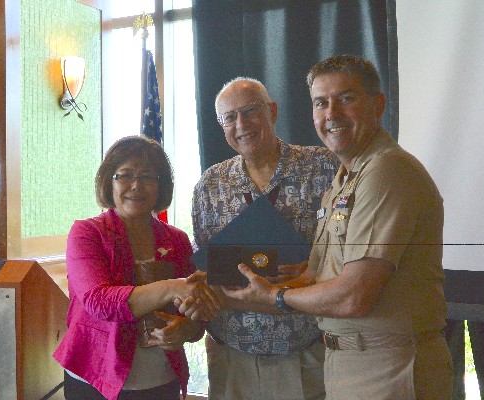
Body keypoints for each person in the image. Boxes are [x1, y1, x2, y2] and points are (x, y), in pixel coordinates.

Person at [222, 55, 454, 399]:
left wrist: (275, 295)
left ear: (378, 104)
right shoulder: (345, 179)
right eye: (321, 102)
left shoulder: (387, 171)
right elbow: (314, 274)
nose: (331, 113)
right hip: (348, 361)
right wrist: (233, 290)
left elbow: (355, 296)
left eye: (346, 98)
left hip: (389, 365)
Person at [183, 77, 338, 400]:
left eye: (251, 111)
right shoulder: (210, 187)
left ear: (273, 111)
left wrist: (310, 270)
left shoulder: (324, 168)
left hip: (306, 354)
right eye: (230, 117)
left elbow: (346, 260)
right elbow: (207, 267)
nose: (241, 124)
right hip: (232, 356)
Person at [53, 135, 220, 400]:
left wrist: (184, 330)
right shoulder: (87, 233)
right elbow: (99, 302)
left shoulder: (176, 240)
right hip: (96, 380)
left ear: (160, 185)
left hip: (160, 381)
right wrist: (171, 287)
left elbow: (196, 319)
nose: (136, 185)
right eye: (125, 175)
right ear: (109, 181)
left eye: (147, 177)